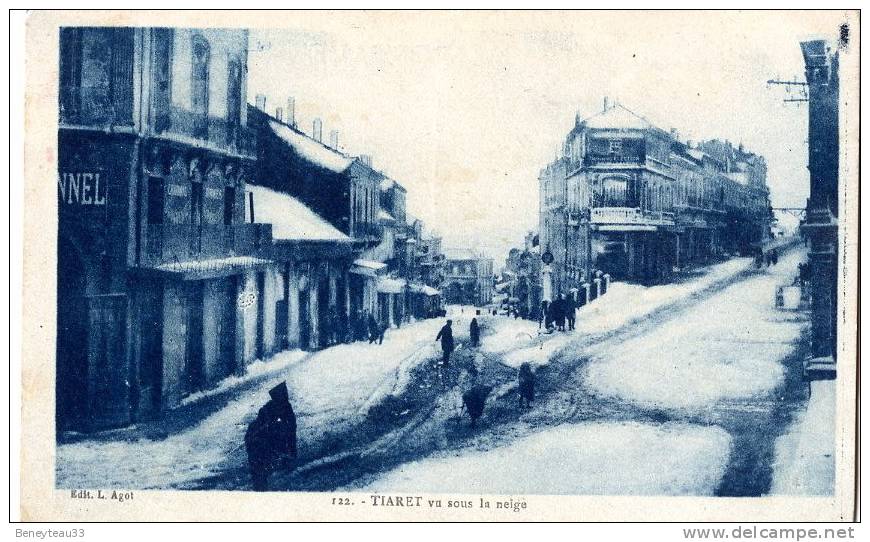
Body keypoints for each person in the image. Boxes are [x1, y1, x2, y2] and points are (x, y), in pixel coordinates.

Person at [245, 382, 297, 491]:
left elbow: (292, 430)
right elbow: (261, 428)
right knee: (260, 467)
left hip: (267, 439)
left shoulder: (286, 407)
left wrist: (291, 452)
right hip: (258, 441)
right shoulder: (267, 409)